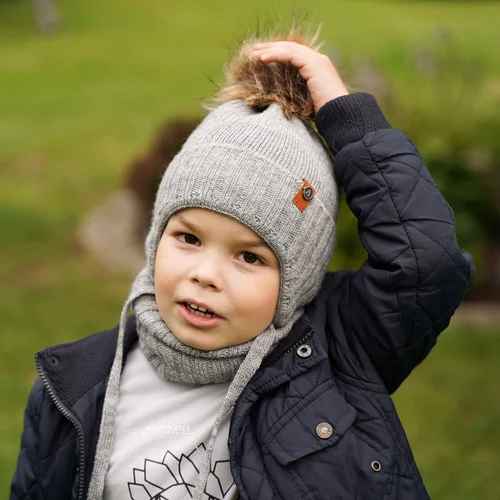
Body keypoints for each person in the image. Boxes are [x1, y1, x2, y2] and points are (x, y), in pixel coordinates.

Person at [10, 30, 474, 500]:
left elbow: (425, 262)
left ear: (295, 282)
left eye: (249, 256)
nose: (206, 275)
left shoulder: (340, 356)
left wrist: (348, 120)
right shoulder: (71, 391)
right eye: (188, 238)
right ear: (156, 237)